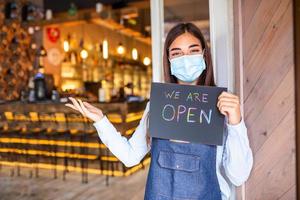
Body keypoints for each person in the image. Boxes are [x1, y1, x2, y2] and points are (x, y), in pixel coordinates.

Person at [65, 22, 253, 200]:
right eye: (177, 53)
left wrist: (235, 122)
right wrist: (101, 120)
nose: (185, 58)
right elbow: (130, 157)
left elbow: (238, 176)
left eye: (193, 51)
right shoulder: (159, 104)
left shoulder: (221, 105)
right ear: (169, 60)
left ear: (204, 54)